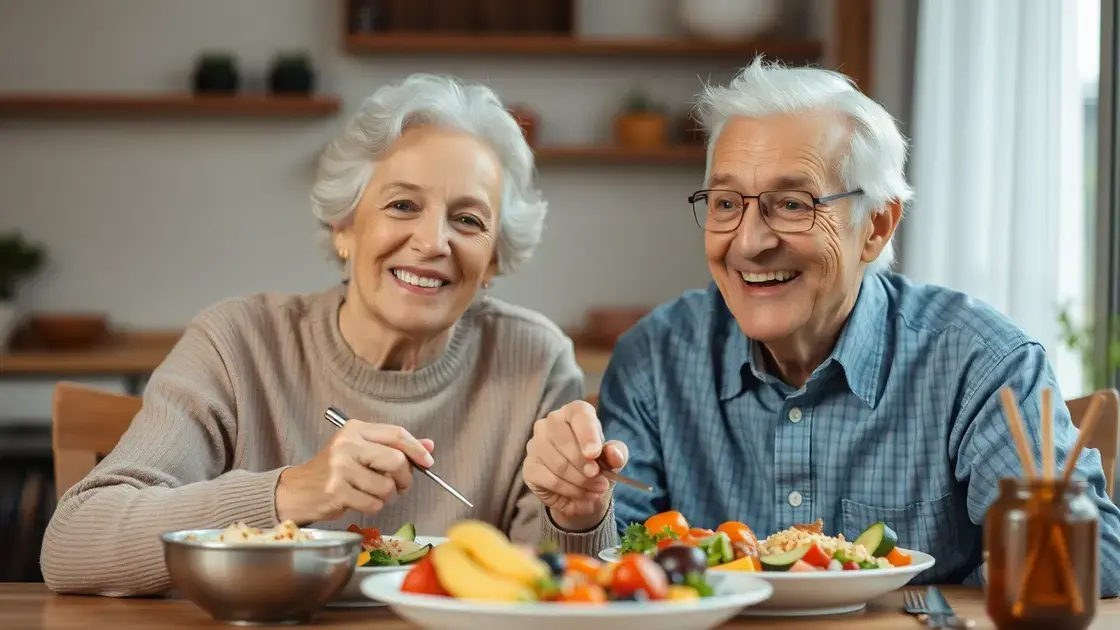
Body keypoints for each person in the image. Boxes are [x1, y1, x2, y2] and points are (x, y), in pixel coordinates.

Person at [524, 57, 1120, 595]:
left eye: (793, 204)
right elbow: (612, 571)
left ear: (877, 226)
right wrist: (579, 513)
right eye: (728, 204)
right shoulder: (655, 358)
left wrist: (1036, 546)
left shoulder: (979, 361)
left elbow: (1103, 565)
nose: (752, 242)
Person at [41, 74, 583, 595]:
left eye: (468, 220)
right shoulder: (236, 344)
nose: (432, 242)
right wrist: (287, 493)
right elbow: (73, 543)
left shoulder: (535, 363)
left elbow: (559, 591)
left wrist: (576, 515)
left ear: (493, 261)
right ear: (343, 227)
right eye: (403, 205)